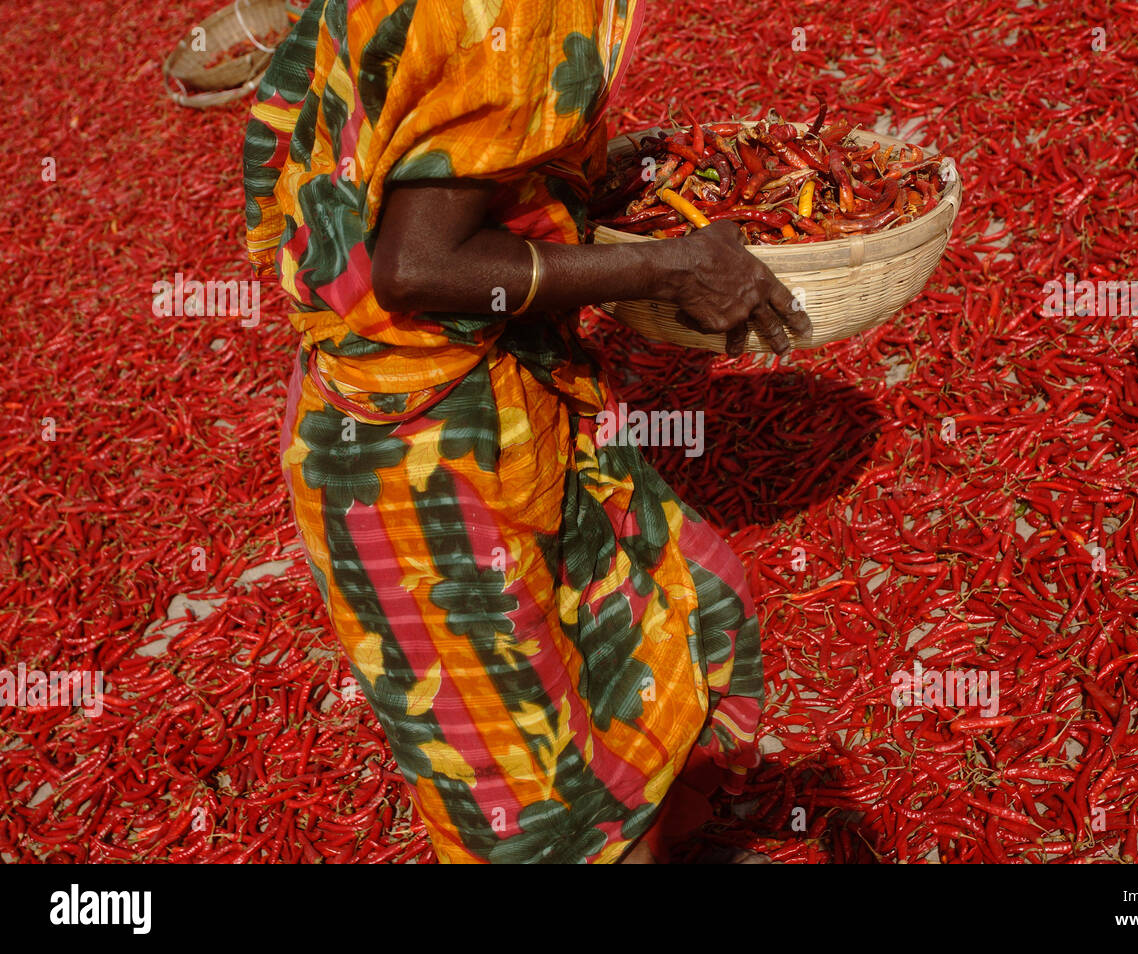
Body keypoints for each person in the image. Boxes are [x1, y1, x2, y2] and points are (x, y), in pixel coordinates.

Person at [242, 0, 808, 863]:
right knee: (529, 809)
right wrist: (667, 262)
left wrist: (554, 189)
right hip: (420, 461)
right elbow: (414, 266)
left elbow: (358, 131)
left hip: (494, 398)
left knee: (674, 614)